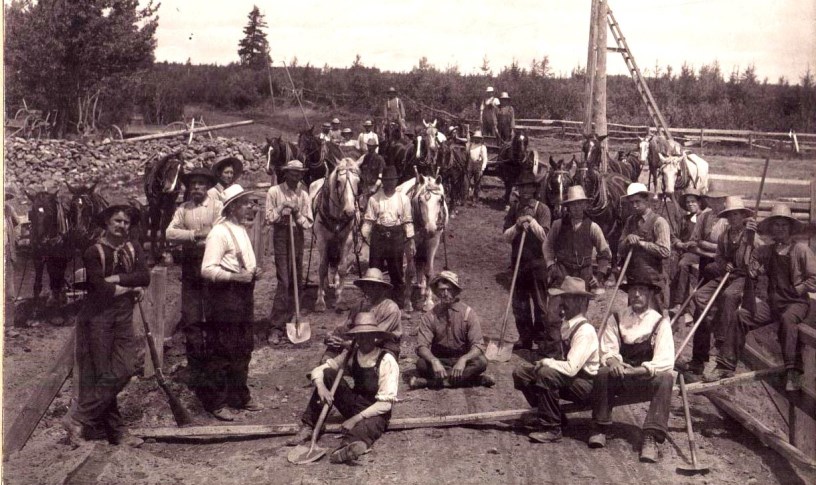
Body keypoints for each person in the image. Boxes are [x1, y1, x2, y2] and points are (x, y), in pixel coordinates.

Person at [61, 201, 150, 447]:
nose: (122, 226)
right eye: (117, 221)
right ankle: (118, 432)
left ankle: (78, 417)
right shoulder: (94, 252)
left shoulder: (134, 248)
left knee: (125, 368)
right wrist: (129, 286)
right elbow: (99, 289)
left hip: (122, 316)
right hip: (98, 317)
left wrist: (119, 280)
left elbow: (145, 276)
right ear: (107, 224)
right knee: (103, 373)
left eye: (126, 222)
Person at [709, 204, 816, 390]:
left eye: (784, 225)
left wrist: (798, 289)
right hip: (772, 303)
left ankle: (794, 372)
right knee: (741, 315)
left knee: (788, 319)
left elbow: (814, 278)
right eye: (776, 225)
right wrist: (750, 238)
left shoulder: (800, 250)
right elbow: (749, 263)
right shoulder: (767, 250)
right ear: (772, 229)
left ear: (790, 228)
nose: (780, 229)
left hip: (796, 303)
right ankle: (725, 365)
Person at [287, 312, 400, 464]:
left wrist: (354, 419)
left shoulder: (386, 360)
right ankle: (309, 426)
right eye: (359, 336)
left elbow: (385, 404)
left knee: (367, 427)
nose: (363, 340)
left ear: (375, 336)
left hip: (376, 410)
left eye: (367, 336)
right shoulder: (352, 354)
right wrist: (320, 386)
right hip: (355, 403)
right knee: (328, 374)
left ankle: (346, 449)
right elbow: (319, 370)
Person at [590, 278, 674, 463]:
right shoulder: (617, 317)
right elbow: (607, 349)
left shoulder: (660, 323)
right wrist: (612, 361)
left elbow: (665, 361)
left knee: (666, 378)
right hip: (620, 377)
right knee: (603, 372)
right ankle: (600, 426)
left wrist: (636, 371)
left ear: (650, 294)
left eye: (641, 289)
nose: (636, 294)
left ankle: (651, 437)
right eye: (633, 289)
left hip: (644, 379)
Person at [200, 185, 264, 420]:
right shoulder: (219, 233)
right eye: (248, 204)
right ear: (233, 207)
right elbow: (207, 269)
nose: (253, 208)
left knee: (244, 345)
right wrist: (236, 276)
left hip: (243, 293)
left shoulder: (240, 229)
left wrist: (253, 270)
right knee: (223, 347)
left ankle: (239, 394)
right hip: (225, 295)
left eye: (253, 204)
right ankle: (217, 402)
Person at [678, 196, 759, 378]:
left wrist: (752, 242)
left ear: (743, 216)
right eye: (730, 216)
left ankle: (721, 340)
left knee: (729, 296)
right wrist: (725, 265)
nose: (733, 219)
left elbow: (760, 256)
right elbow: (720, 258)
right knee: (699, 297)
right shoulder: (724, 235)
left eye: (736, 215)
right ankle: (712, 325)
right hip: (727, 275)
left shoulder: (751, 234)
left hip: (743, 279)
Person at [512, 277, 599, 443]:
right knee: (521, 373)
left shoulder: (585, 330)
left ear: (581, 301)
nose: (564, 302)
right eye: (563, 297)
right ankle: (552, 414)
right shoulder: (567, 324)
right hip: (572, 378)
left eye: (570, 298)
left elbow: (572, 368)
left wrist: (547, 363)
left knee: (546, 374)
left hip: (586, 384)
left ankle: (551, 427)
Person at [166, 167, 223, 407]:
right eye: (193, 184)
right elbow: (169, 232)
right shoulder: (183, 209)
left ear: (208, 186)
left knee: (213, 317)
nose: (196, 188)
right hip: (190, 267)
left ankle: (215, 372)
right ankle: (195, 369)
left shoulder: (218, 207)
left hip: (213, 264)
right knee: (190, 319)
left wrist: (207, 235)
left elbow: (220, 230)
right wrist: (193, 235)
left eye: (201, 184)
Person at [411, 271, 494, 388]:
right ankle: (475, 380)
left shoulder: (468, 313)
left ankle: (432, 383)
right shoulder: (430, 316)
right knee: (422, 364)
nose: (445, 293)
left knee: (481, 362)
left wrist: (463, 359)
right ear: (437, 292)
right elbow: (421, 346)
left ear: (455, 291)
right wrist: (434, 361)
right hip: (440, 360)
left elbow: (478, 345)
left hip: (462, 360)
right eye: (442, 289)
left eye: (449, 289)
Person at [265, 160, 313, 345]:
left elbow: (308, 223)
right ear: (286, 173)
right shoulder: (274, 192)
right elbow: (269, 218)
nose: (296, 176)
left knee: (296, 280)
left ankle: (293, 319)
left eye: (299, 173)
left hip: (297, 235)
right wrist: (281, 208)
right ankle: (275, 326)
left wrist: (296, 212)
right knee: (284, 281)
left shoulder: (304, 194)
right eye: (292, 173)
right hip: (281, 236)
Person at [503, 170, 551, 351]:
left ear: (534, 189)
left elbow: (545, 236)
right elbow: (505, 237)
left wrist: (531, 221)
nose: (524, 191)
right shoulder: (514, 209)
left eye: (528, 187)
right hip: (518, 262)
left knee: (540, 303)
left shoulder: (542, 209)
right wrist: (517, 225)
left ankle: (540, 338)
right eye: (521, 187)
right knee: (519, 303)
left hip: (538, 263)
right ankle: (525, 338)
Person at [362, 165, 414, 308]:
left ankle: (398, 303)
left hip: (396, 237)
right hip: (378, 236)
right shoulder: (374, 199)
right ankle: (372, 302)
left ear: (396, 182)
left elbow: (407, 221)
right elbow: (368, 220)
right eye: (386, 180)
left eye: (392, 180)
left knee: (396, 271)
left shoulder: (403, 199)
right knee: (374, 270)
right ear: (383, 181)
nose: (389, 183)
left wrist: (411, 240)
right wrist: (362, 236)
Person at [543, 186, 611, 293]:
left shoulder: (593, 227)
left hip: (584, 275)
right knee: (559, 305)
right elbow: (547, 245)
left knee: (580, 307)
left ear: (585, 204)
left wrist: (598, 276)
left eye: (580, 203)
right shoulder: (558, 224)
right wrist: (550, 265)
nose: (576, 207)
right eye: (573, 204)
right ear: (568, 206)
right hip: (562, 273)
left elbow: (604, 252)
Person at [324, 268, 403, 359]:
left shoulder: (390, 308)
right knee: (338, 335)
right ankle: (326, 362)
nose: (369, 289)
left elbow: (376, 337)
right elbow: (346, 328)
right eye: (367, 285)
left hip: (383, 346)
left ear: (382, 288)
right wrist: (331, 337)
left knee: (370, 364)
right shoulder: (359, 306)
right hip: (359, 343)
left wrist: (345, 344)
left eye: (374, 285)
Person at [618, 183, 671, 312]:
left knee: (656, 318)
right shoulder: (630, 221)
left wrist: (641, 244)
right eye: (632, 203)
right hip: (634, 279)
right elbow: (620, 249)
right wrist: (628, 240)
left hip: (653, 280)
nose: (634, 206)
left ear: (647, 201)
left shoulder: (659, 222)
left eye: (638, 202)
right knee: (635, 316)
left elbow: (665, 251)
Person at [5, 190, 20, 323]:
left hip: (6, 252)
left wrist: (14, 239)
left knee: (9, 292)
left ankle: (9, 325)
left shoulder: (8, 209)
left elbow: (17, 224)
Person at [465, 131, 489, 204]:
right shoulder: (470, 145)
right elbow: (466, 152)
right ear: (474, 138)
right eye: (476, 138)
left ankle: (475, 199)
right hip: (470, 165)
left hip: (478, 166)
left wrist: (482, 169)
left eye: (478, 138)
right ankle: (465, 198)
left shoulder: (483, 147)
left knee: (477, 183)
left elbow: (485, 159)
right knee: (466, 182)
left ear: (480, 139)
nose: (477, 139)